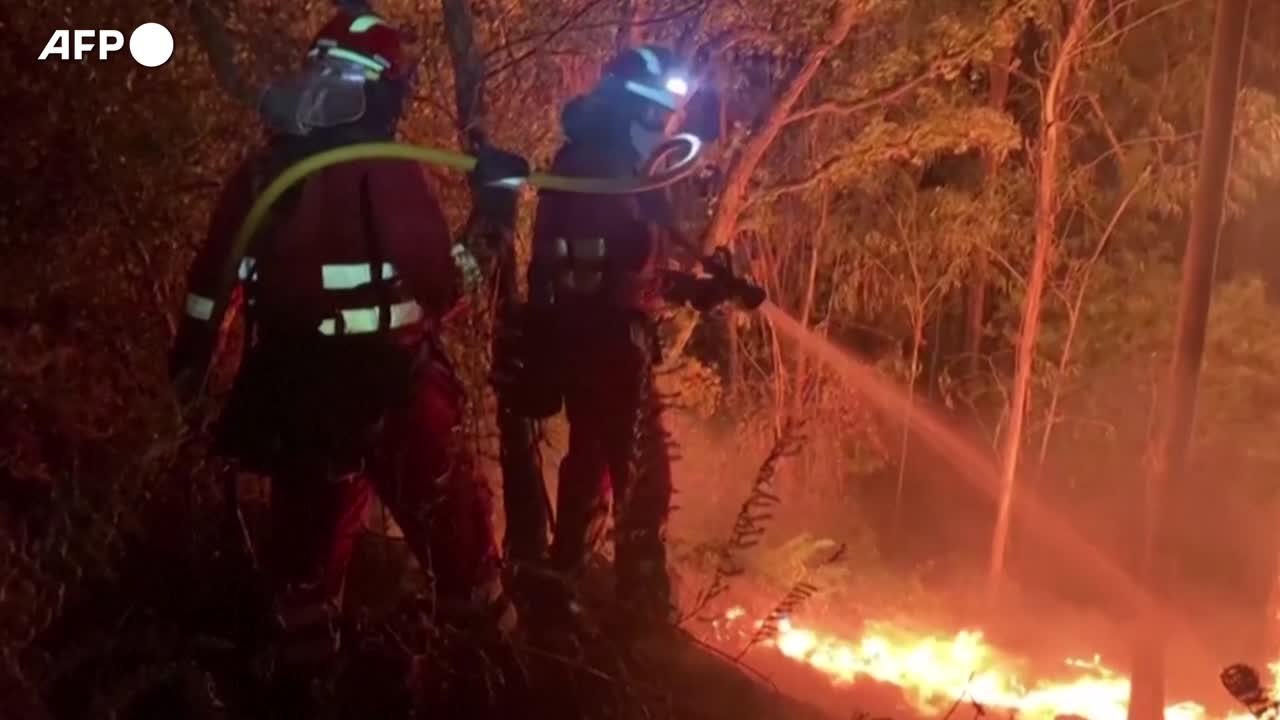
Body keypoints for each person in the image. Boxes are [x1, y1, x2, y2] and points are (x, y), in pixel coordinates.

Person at [167, 8, 524, 708]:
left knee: (302, 573)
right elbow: (444, 287)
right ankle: (498, 690)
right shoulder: (386, 172)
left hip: (298, 400)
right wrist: (495, 214)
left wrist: (191, 368)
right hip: (397, 399)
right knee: (460, 553)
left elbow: (212, 286)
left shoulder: (264, 173)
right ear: (384, 87)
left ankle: (303, 694)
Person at [512, 45, 762, 629]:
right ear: (634, 108)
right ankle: (641, 615)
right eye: (658, 114)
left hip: (582, 334)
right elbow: (623, 266)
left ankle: (563, 587)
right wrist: (678, 281)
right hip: (607, 343)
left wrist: (694, 289)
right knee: (644, 478)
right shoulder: (608, 172)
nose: (664, 127)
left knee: (591, 463)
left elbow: (615, 267)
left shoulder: (593, 163)